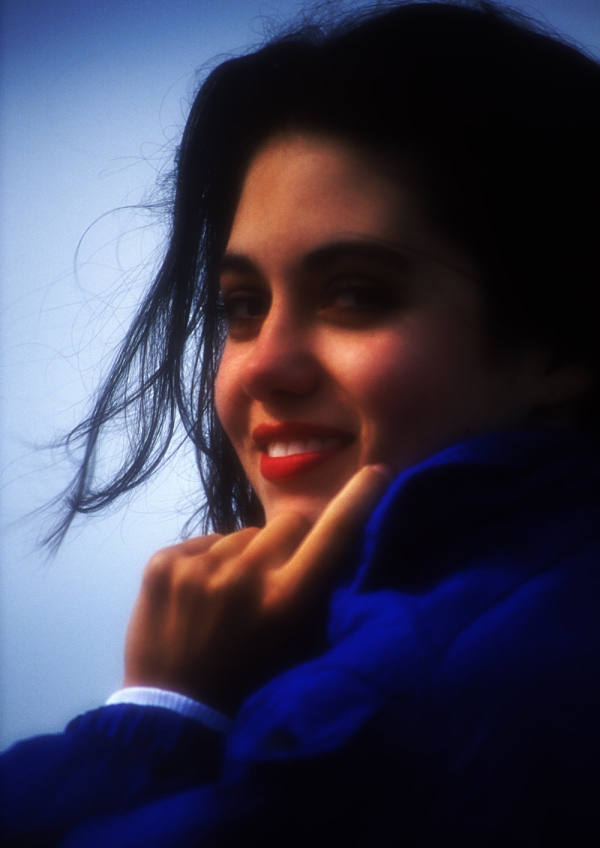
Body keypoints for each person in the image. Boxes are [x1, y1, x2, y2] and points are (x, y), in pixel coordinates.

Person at [2, 1, 600, 844]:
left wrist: (163, 713)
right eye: (241, 307)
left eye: (355, 294)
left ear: (561, 339)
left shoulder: (394, 700)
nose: (263, 367)